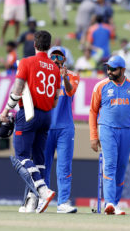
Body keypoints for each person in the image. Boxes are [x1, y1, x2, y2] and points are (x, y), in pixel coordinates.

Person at [0, 30, 61, 213]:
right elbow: (56, 100)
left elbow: (17, 90)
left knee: (22, 156)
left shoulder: (26, 62)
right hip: (47, 115)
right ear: (49, 47)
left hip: (28, 113)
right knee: (39, 158)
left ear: (34, 44)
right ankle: (32, 202)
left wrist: (5, 111)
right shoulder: (55, 68)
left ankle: (42, 190)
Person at [89, 55, 130, 215]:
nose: (109, 71)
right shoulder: (101, 86)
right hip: (107, 129)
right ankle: (109, 202)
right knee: (109, 165)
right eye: (108, 68)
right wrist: (93, 135)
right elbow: (93, 112)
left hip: (127, 130)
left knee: (121, 168)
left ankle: (114, 204)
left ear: (123, 70)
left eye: (113, 69)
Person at [42, 46, 79, 213]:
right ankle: (42, 199)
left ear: (65, 59)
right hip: (46, 126)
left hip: (65, 128)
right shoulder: (43, 76)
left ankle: (63, 202)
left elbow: (70, 91)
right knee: (43, 165)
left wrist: (63, 78)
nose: (56, 60)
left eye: (60, 57)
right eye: (53, 57)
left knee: (64, 166)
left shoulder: (73, 76)